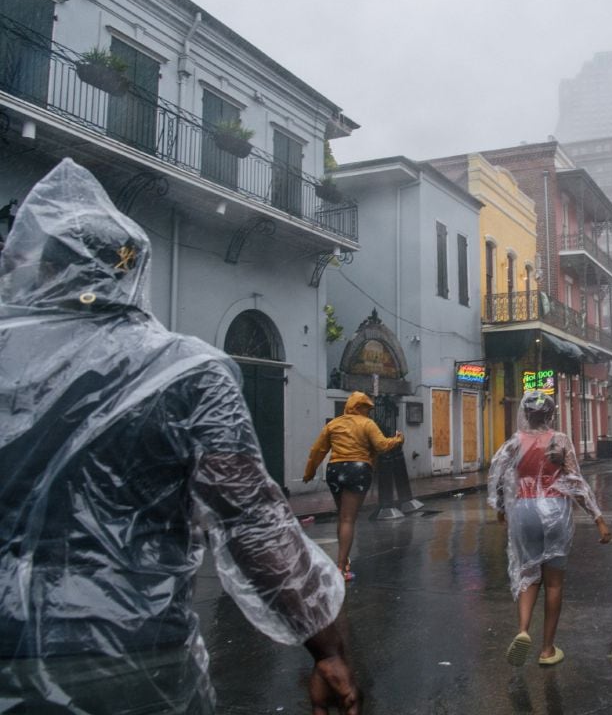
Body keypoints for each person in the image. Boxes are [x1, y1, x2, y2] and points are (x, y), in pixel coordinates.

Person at [0, 159, 359, 714]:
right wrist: (327, 648)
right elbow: (253, 524)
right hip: (137, 656)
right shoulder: (188, 372)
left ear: (41, 267)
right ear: (132, 273)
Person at [487, 391, 612, 667]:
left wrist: (500, 509)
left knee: (529, 574)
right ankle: (547, 649)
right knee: (554, 582)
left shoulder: (514, 443)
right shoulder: (559, 441)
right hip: (554, 510)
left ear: (525, 414)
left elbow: (498, 478)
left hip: (524, 511)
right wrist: (598, 519)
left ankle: (522, 630)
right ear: (551, 414)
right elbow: (575, 483)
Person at [304, 391, 403, 581]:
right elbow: (382, 446)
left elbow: (318, 450)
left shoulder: (333, 424)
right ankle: (341, 568)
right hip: (357, 469)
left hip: (334, 470)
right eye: (366, 408)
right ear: (357, 407)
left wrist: (309, 472)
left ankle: (344, 560)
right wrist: (398, 440)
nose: (369, 412)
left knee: (342, 517)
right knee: (348, 519)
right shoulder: (366, 424)